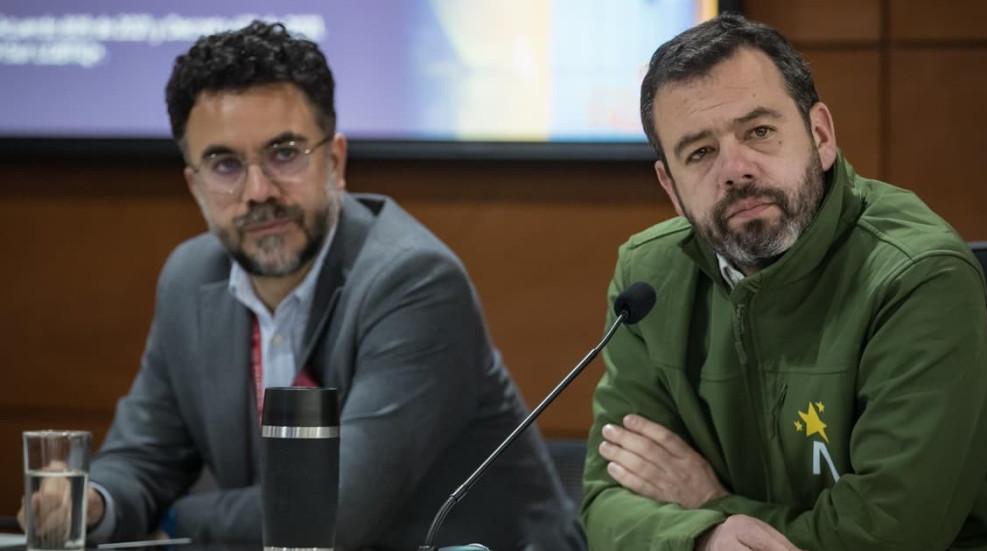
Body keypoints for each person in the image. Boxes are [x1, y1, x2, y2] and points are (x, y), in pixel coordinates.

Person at [18, 21, 583, 550]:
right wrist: (92, 503)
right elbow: (144, 457)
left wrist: (172, 516)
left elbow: (329, 514)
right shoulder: (190, 280)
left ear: (335, 161)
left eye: (284, 154)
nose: (258, 191)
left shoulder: (414, 282)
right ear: (194, 184)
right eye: (224, 164)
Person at [581, 13, 987, 551]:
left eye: (759, 132)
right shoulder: (648, 280)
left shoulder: (919, 276)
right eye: (700, 152)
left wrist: (709, 506)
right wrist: (706, 539)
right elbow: (608, 503)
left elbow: (885, 535)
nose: (735, 169)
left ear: (820, 136)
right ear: (671, 186)